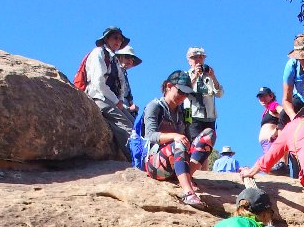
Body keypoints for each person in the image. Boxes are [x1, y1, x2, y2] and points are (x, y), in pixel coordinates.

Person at [142, 70, 216, 207]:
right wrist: (174, 136)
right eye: (181, 91)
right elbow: (150, 135)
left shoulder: (185, 112)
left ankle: (185, 176)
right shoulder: (154, 106)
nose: (183, 97)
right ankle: (188, 193)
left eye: (187, 93)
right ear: (169, 86)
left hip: (179, 160)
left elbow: (189, 138)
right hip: (156, 164)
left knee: (209, 134)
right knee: (179, 142)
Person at [83, 26, 134, 158]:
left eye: (120, 39)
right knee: (126, 125)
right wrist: (117, 101)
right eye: (115, 38)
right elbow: (98, 82)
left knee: (134, 123)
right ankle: (135, 157)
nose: (118, 41)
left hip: (111, 99)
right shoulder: (98, 53)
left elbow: (120, 84)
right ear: (106, 39)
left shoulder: (113, 58)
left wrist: (120, 100)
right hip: (98, 96)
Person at [184, 46, 224, 141]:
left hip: (209, 116)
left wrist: (213, 77)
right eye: (194, 57)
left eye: (201, 57)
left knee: (208, 143)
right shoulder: (185, 75)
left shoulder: (209, 76)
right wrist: (195, 76)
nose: (198, 60)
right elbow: (183, 91)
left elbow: (220, 94)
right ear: (189, 61)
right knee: (193, 143)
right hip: (190, 115)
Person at [113, 45, 142, 115]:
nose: (130, 60)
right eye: (127, 57)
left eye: (132, 59)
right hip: (116, 109)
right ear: (119, 58)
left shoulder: (124, 75)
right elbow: (112, 95)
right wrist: (128, 108)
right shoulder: (114, 72)